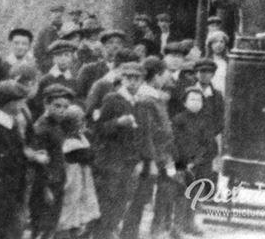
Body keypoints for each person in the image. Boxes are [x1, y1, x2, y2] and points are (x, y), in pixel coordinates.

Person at [93, 62, 150, 239]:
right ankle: (102, 233)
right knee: (108, 197)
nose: (132, 82)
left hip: (131, 160)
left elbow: (144, 134)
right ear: (122, 79)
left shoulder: (141, 103)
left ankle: (111, 229)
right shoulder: (112, 99)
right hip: (111, 159)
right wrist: (117, 123)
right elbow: (99, 129)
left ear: (142, 81)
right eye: (129, 78)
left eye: (137, 78)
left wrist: (143, 159)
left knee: (123, 198)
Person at [121, 57, 176, 239]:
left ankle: (158, 228)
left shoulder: (152, 96)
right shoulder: (147, 99)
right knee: (141, 195)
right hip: (153, 155)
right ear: (158, 75)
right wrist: (151, 160)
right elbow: (147, 132)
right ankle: (130, 232)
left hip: (163, 153)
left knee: (168, 185)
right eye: (165, 73)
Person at [0, 80, 38, 239]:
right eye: (19, 102)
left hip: (11, 190)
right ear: (8, 103)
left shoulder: (10, 122)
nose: (22, 106)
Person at [28, 84, 74, 239]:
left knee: (50, 227)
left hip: (57, 181)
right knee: (41, 227)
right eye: (57, 106)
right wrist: (45, 188)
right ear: (46, 104)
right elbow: (39, 162)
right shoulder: (41, 128)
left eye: (66, 107)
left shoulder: (56, 125)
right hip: (45, 185)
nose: (62, 110)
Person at [172, 87, 216, 237]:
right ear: (184, 102)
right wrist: (183, 162)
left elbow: (208, 144)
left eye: (199, 100)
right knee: (181, 194)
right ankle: (177, 225)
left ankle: (189, 223)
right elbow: (176, 142)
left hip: (199, 163)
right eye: (192, 99)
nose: (195, 102)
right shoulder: (179, 120)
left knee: (195, 194)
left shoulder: (206, 121)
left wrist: (197, 160)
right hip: (182, 162)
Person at [55, 104, 100, 236]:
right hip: (72, 179)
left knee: (81, 209)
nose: (82, 124)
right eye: (79, 121)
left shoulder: (79, 137)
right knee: (70, 209)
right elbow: (87, 156)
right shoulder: (70, 142)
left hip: (81, 178)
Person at [76, 29, 126, 101]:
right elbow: (79, 96)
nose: (115, 46)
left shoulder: (126, 70)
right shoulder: (89, 69)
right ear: (103, 46)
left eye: (119, 43)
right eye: (110, 42)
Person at [193, 59, 225, 137]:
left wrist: (213, 132)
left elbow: (220, 118)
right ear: (196, 74)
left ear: (213, 74)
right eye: (201, 71)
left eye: (208, 72)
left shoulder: (217, 95)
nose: (204, 75)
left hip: (210, 136)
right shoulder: (189, 91)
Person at [34, 5, 66, 72]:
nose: (60, 20)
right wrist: (59, 42)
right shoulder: (48, 30)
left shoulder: (59, 30)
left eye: (60, 18)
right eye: (57, 18)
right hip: (46, 63)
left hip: (54, 61)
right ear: (51, 17)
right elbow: (48, 49)